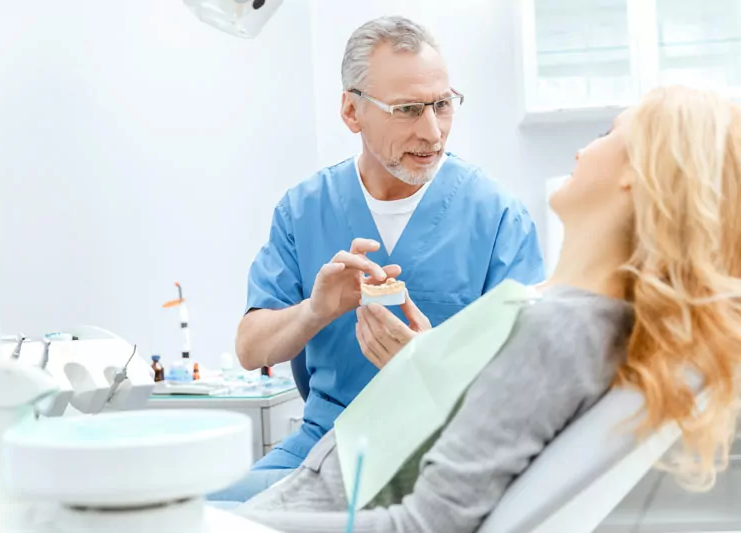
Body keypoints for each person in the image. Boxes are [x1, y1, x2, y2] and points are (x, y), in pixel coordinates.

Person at [231, 85, 741, 532]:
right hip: (324, 482)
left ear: (639, 173)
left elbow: (425, 523)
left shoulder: (558, 330)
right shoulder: (578, 319)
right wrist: (428, 363)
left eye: (609, 134)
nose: (585, 148)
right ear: (353, 111)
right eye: (407, 107)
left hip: (323, 503)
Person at [209, 16, 546, 502]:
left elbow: (530, 383)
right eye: (408, 109)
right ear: (352, 111)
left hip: (440, 451)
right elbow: (250, 349)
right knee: (194, 508)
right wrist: (315, 311)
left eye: (443, 105)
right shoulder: (304, 209)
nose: (432, 131)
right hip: (322, 446)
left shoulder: (495, 216)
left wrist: (430, 365)